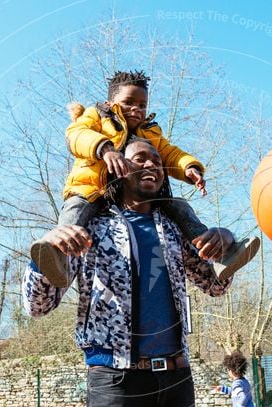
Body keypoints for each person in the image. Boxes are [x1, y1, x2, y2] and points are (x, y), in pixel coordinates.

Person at [23, 138, 232, 407]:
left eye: (157, 159)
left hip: (175, 378)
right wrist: (47, 252)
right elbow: (37, 305)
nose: (151, 163)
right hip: (117, 381)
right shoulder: (88, 228)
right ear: (118, 170)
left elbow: (215, 286)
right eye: (140, 158)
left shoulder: (172, 228)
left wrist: (223, 245)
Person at [30, 69, 259, 288]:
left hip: (130, 200)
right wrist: (105, 148)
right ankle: (56, 258)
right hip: (90, 189)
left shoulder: (150, 131)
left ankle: (219, 256)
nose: (136, 109)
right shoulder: (97, 117)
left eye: (142, 105)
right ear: (110, 103)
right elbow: (77, 135)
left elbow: (170, 152)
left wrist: (188, 167)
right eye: (128, 102)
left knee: (180, 207)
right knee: (73, 218)